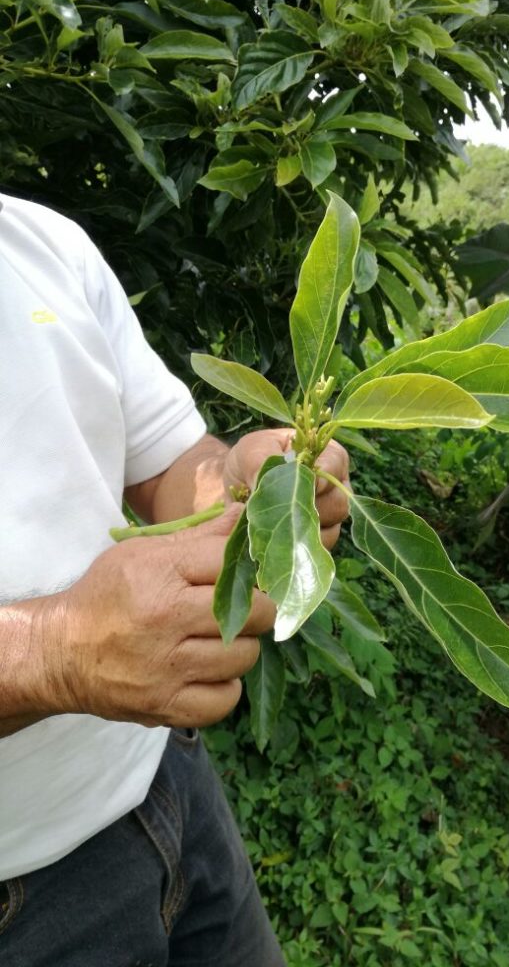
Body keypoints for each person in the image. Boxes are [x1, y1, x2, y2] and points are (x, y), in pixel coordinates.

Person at [0, 191, 350, 965]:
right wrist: (54, 652)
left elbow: (169, 465)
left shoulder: (41, 240)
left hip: (167, 777)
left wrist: (239, 485)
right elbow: (58, 648)